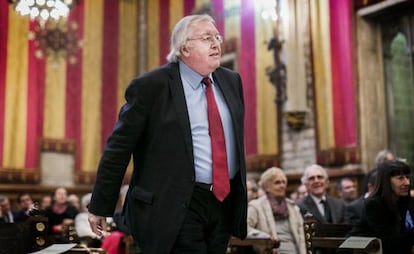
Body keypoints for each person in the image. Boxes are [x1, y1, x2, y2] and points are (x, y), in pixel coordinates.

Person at [87, 14, 247, 254]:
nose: (216, 44)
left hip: (223, 203)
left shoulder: (231, 81)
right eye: (206, 38)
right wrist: (101, 204)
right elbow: (119, 147)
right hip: (173, 204)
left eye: (217, 37)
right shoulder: (151, 87)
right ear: (184, 48)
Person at [347, 160, 414, 253]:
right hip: (360, 250)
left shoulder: (404, 201)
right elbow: (390, 242)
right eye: (400, 178)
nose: (407, 183)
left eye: (407, 177)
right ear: (386, 181)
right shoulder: (374, 205)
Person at [247, 167, 306, 254]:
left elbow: (302, 236)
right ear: (267, 187)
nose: (282, 185)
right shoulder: (256, 206)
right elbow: (245, 228)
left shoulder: (293, 207)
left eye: (284, 182)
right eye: (277, 182)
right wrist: (264, 238)